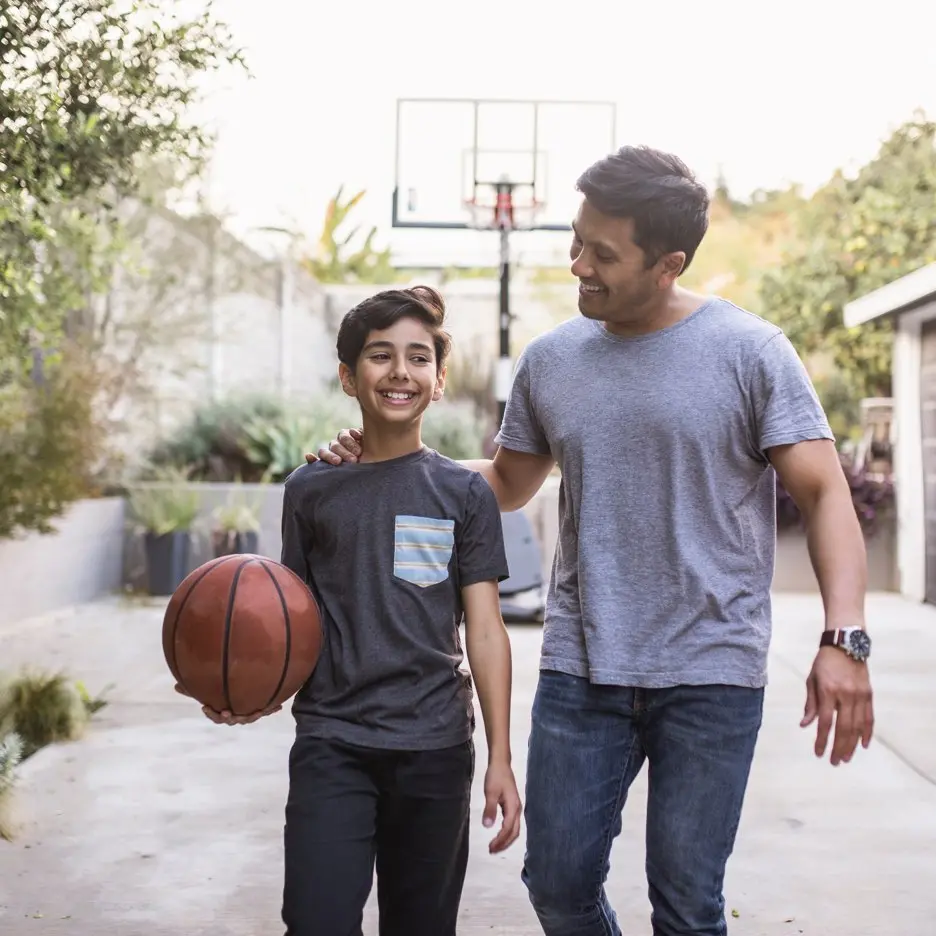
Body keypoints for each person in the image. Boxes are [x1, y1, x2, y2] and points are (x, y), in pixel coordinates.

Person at [308, 146, 875, 936]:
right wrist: (380, 458)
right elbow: (504, 483)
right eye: (576, 241)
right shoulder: (553, 360)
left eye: (602, 254)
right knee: (559, 885)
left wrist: (844, 637)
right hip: (585, 667)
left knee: (687, 904)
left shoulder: (751, 352)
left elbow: (823, 492)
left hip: (711, 670)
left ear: (668, 263)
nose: (578, 264)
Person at [183, 285, 522, 936]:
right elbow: (290, 622)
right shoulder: (311, 489)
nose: (400, 372)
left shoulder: (463, 494)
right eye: (380, 355)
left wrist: (501, 756)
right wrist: (251, 693)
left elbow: (485, 628)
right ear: (347, 376)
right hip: (333, 745)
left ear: (439, 380)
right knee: (316, 922)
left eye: (418, 358)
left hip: (435, 749)